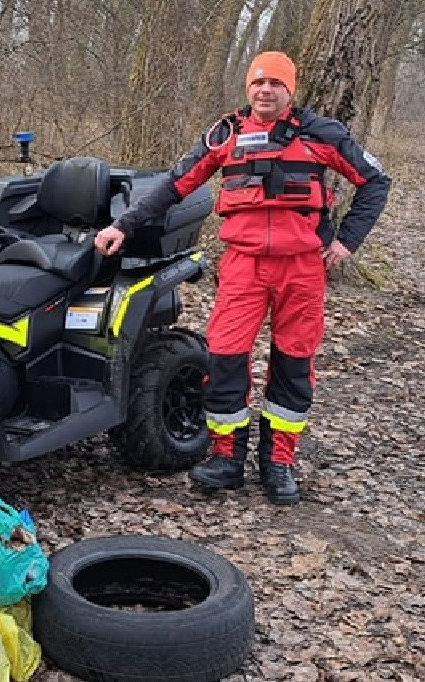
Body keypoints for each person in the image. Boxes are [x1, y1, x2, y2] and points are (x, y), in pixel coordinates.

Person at [93, 51, 390, 505]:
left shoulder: (321, 134)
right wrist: (123, 225)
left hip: (302, 268)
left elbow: (376, 181)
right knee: (226, 359)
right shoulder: (226, 135)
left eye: (275, 83)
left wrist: (347, 241)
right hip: (243, 265)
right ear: (248, 88)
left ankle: (279, 462)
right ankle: (226, 458)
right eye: (258, 83)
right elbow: (176, 183)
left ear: (290, 90)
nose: (266, 90)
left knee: (293, 363)